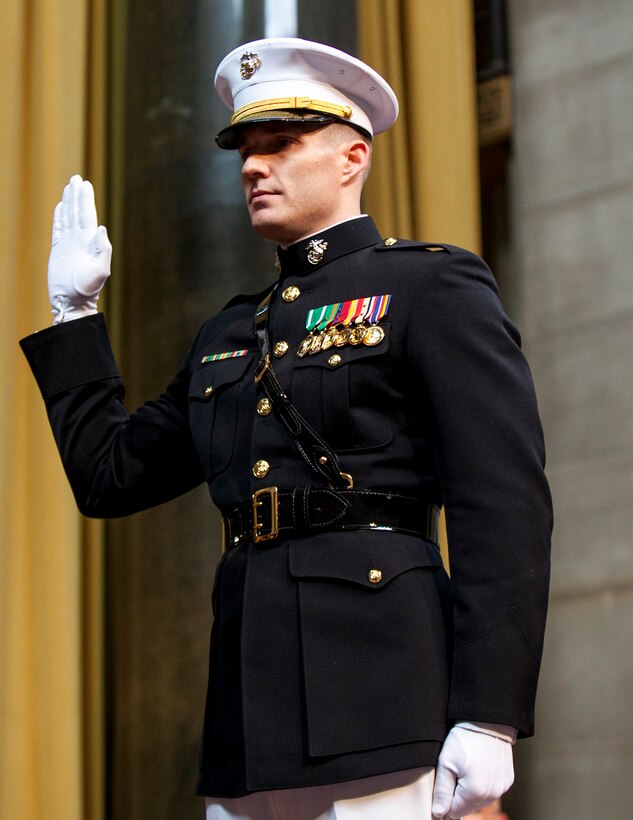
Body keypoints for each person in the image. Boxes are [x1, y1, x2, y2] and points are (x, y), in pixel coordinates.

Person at [20, 38, 552, 820]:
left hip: (383, 695)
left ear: (351, 157)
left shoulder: (429, 285)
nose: (252, 165)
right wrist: (76, 318)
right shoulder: (229, 332)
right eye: (244, 148)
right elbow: (109, 476)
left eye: (280, 142)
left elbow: (502, 506)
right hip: (249, 712)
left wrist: (489, 714)